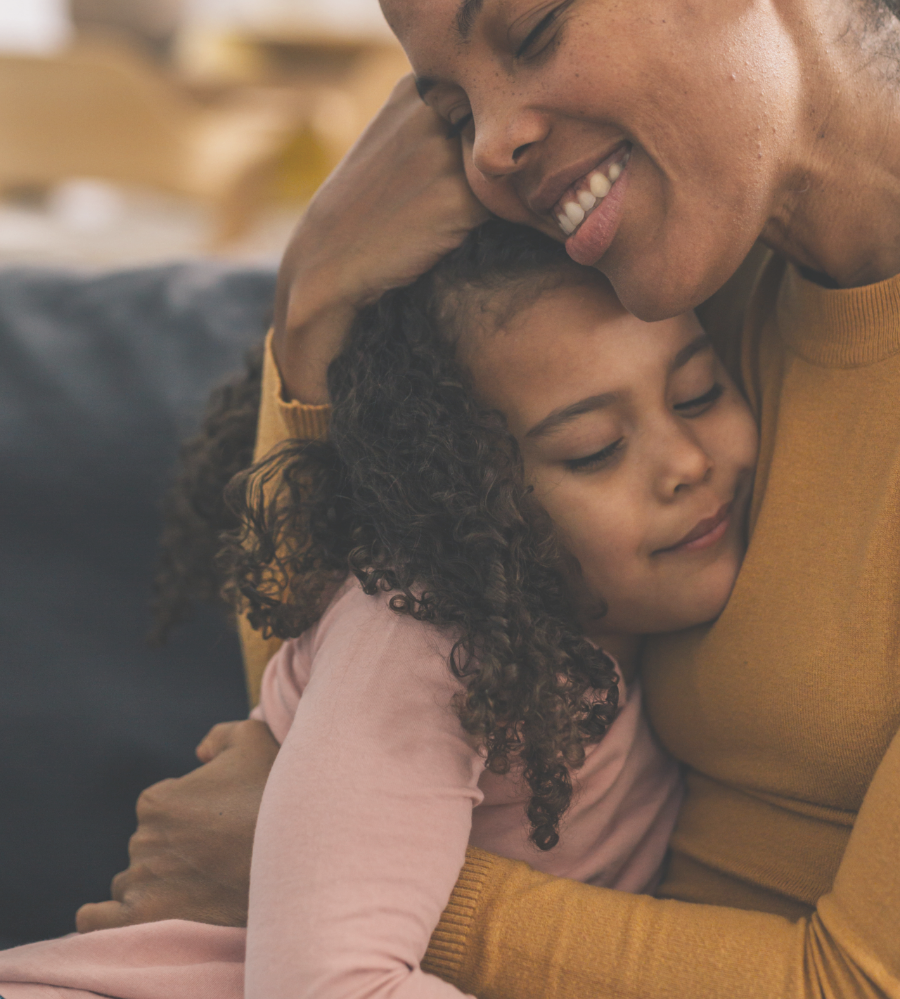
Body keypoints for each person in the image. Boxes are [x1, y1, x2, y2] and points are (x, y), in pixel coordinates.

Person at [53, 0, 900, 995]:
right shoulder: (654, 281)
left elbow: (898, 988)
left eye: (528, 28)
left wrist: (336, 873)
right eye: (450, 103)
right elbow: (361, 659)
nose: (490, 152)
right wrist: (313, 309)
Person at [0, 220, 758, 997]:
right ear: (472, 502)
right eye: (596, 449)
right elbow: (334, 986)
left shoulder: (618, 635)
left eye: (698, 392)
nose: (687, 463)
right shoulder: (423, 637)